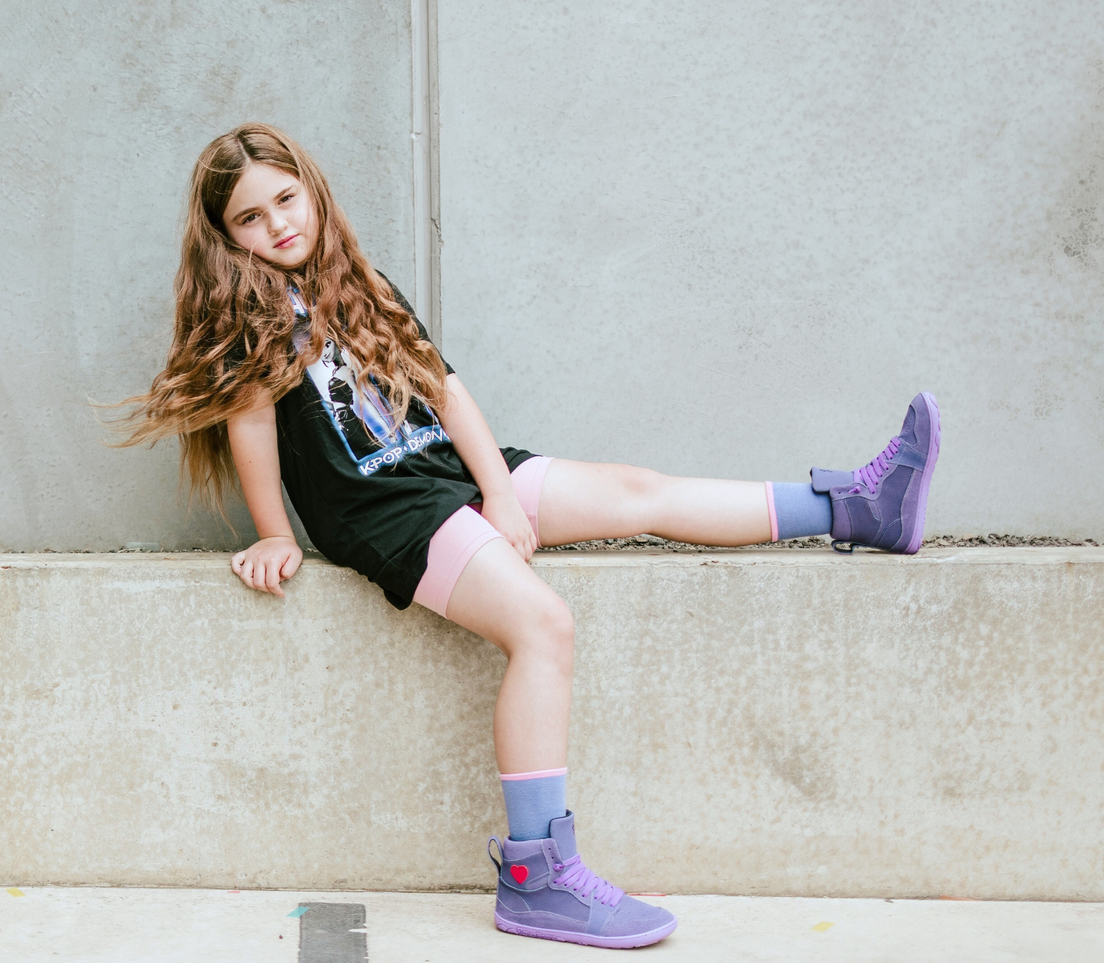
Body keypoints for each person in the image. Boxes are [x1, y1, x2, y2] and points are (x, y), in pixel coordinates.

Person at [110, 123, 941, 950]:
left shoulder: (361, 286)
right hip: (383, 512)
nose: (277, 224)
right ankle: (536, 877)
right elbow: (251, 429)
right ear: (223, 235)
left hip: (449, 475)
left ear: (312, 191)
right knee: (542, 624)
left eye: (285, 199)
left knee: (633, 489)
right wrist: (271, 533)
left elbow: (448, 394)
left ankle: (855, 509)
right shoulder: (251, 316)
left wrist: (502, 495)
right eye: (249, 217)